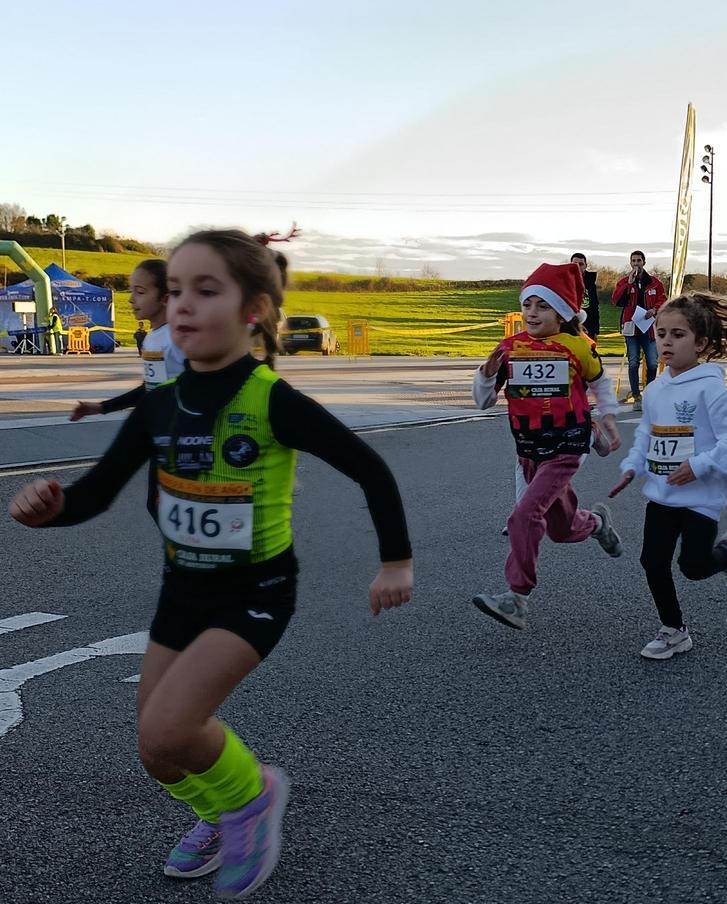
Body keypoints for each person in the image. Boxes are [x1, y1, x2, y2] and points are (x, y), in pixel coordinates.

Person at [7, 229, 415, 897]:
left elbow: (370, 468)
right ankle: (222, 815)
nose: (183, 305)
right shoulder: (159, 405)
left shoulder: (270, 399)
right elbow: (94, 494)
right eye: (174, 291)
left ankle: (253, 798)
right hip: (182, 593)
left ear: (252, 310)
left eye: (205, 290)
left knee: (172, 725)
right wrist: (49, 509)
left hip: (254, 592)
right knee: (157, 749)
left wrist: (395, 562)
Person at [473, 262, 624, 629]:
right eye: (528, 305)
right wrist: (486, 375)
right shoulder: (510, 349)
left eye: (543, 306)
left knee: (523, 516)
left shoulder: (578, 347)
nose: (532, 313)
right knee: (561, 528)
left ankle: (516, 598)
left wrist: (608, 416)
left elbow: (600, 382)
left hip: (568, 446)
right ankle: (596, 523)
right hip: (529, 449)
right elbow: (483, 402)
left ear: (561, 313)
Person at [611, 292, 727, 659]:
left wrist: (699, 465)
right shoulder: (656, 389)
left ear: (701, 343)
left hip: (700, 498)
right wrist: (633, 465)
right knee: (652, 561)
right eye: (661, 334)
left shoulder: (711, 389)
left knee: (693, 566)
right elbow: (647, 434)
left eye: (678, 335)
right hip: (662, 494)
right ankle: (674, 630)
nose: (666, 342)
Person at [71, 260, 187, 422]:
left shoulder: (181, 338)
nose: (131, 299)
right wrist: (102, 407)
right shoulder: (152, 338)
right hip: (163, 427)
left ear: (165, 298)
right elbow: (151, 388)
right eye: (132, 291)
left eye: (140, 292)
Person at [611, 251, 665, 412]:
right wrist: (628, 284)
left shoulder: (654, 283)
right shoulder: (624, 282)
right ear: (630, 263)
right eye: (633, 261)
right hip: (632, 327)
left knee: (653, 362)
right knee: (633, 362)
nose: (636, 264)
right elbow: (616, 300)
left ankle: (649, 393)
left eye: (639, 260)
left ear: (644, 262)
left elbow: (662, 299)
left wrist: (654, 310)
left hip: (648, 327)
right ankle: (636, 396)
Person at [571, 252, 602, 341]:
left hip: (588, 327)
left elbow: (594, 307)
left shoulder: (590, 282)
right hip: (570, 326)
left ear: (585, 266)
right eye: (575, 264)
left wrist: (595, 330)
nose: (578, 267)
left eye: (581, 264)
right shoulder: (564, 281)